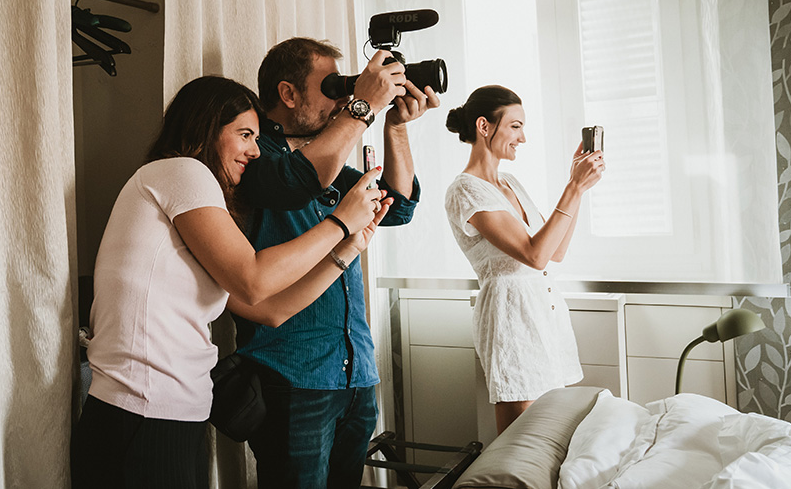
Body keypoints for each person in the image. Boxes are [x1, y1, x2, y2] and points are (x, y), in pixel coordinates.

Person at [70, 75, 391, 489]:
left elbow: (272, 309)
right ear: (205, 127)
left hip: (173, 411)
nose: (255, 151)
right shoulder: (181, 171)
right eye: (244, 134)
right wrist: (339, 221)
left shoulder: (197, 209)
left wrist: (347, 248)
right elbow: (253, 280)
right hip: (141, 411)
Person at [229, 37, 440, 489]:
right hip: (291, 374)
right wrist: (362, 104)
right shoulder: (255, 156)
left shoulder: (326, 154)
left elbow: (397, 206)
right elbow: (295, 182)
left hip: (354, 372)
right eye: (333, 86)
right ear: (288, 94)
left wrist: (396, 128)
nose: (343, 97)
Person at [443, 85, 604, 435]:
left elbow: (554, 251)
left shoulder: (511, 182)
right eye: (515, 126)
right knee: (520, 442)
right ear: (484, 126)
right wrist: (572, 189)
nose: (523, 137)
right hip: (510, 319)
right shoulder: (465, 189)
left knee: (551, 436)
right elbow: (534, 254)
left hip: (543, 313)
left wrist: (577, 188)